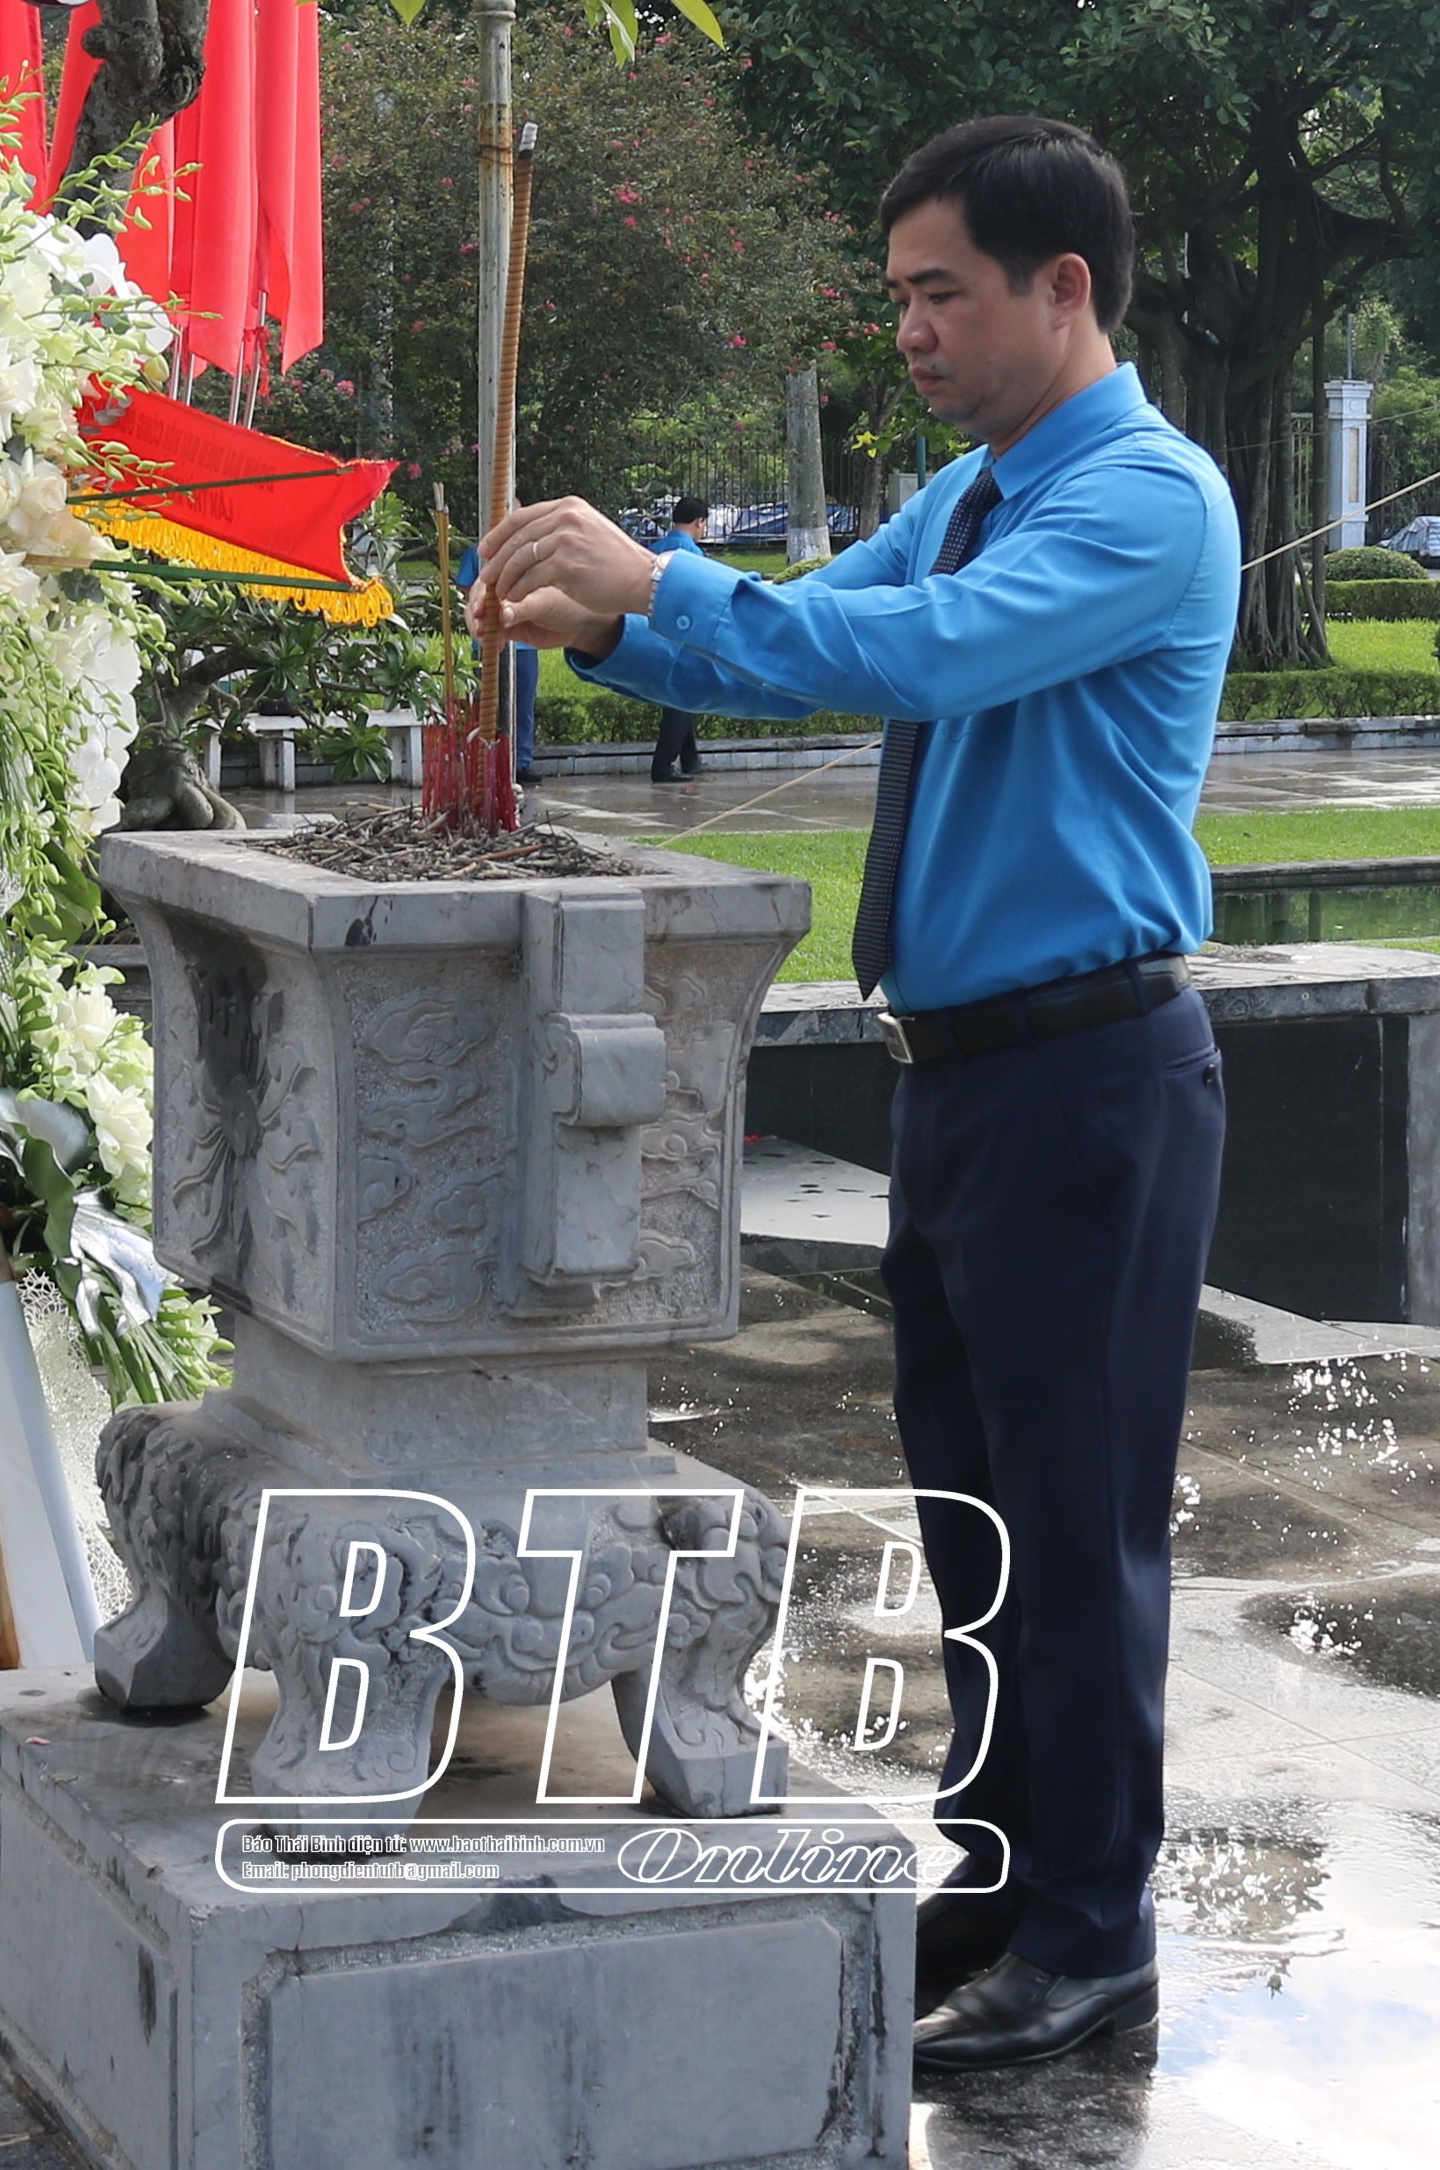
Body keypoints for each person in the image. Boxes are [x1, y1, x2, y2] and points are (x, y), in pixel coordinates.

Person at [470, 114, 1235, 2075]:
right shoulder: (975, 491)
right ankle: (1004, 1879)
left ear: (1063, 288)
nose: (911, 330)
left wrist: (664, 575)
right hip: (970, 1083)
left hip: (1091, 1076)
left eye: (940, 293)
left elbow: (924, 652)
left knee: (1078, 1530)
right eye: (899, 294)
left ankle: (1096, 1934)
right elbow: (813, 638)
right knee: (981, 1521)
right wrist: (617, 625)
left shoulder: (1143, 501)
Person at [455, 541, 540, 784]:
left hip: (524, 644)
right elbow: (463, 585)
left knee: (523, 705)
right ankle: (484, 758)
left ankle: (521, 762)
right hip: (487, 643)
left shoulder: (529, 551)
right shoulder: (477, 552)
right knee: (485, 704)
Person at [646, 497, 709, 780]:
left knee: (681, 697)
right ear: (699, 522)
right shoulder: (694, 556)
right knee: (683, 698)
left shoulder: (653, 550)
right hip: (683, 637)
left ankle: (690, 758)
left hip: (653, 631)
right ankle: (663, 764)